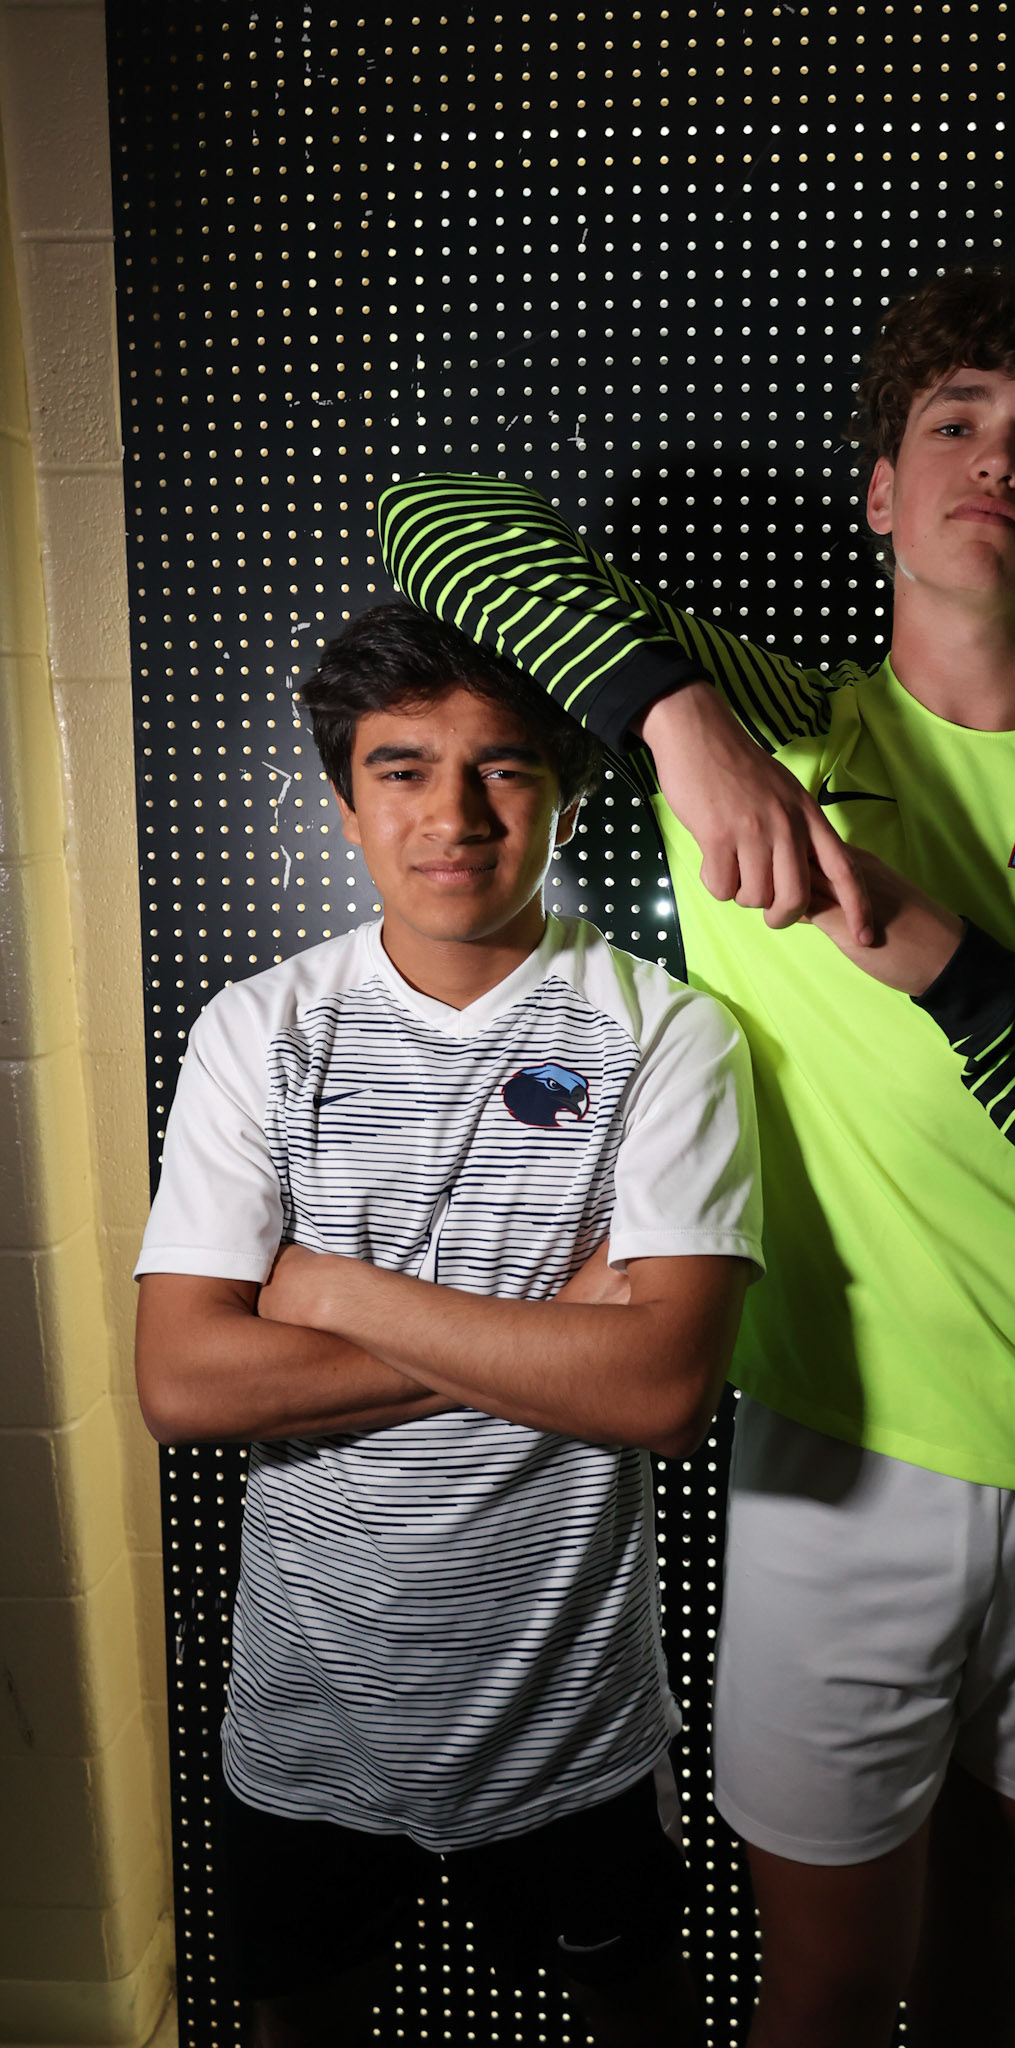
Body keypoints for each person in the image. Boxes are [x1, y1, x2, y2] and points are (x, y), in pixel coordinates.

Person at [376, 264, 1015, 2048]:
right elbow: (438, 518)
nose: (994, 458)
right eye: (951, 424)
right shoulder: (782, 722)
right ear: (881, 490)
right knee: (826, 1979)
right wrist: (674, 716)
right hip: (839, 1454)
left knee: (998, 1919)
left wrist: (954, 972)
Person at [134, 605, 763, 2048]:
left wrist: (326, 1289)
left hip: (573, 1728)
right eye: (404, 769)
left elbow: (662, 1390)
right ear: (347, 802)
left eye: (504, 770)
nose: (455, 816)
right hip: (307, 1722)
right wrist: (554, 1336)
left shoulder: (668, 1034)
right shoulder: (259, 1029)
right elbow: (182, 1382)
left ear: (564, 791)